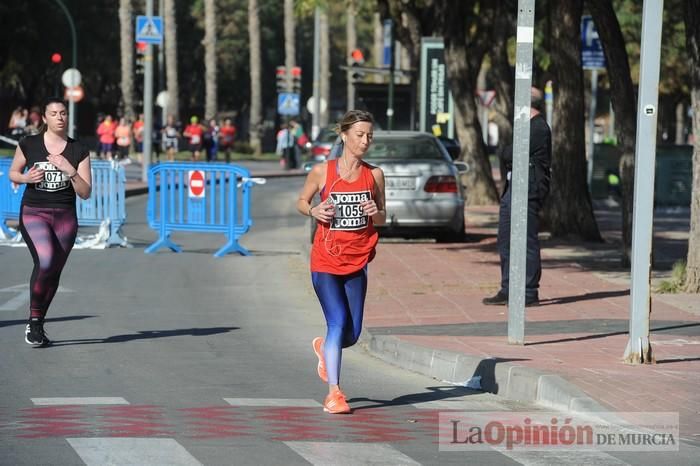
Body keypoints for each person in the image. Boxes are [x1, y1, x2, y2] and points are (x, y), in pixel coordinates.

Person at [296, 110, 386, 414]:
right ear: (344, 135)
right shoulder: (323, 172)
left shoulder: (374, 175)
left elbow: (383, 217)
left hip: (358, 259)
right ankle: (334, 393)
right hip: (325, 261)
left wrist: (375, 211)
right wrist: (313, 211)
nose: (365, 140)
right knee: (336, 322)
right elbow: (301, 201)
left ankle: (325, 349)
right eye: (359, 134)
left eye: (369, 135)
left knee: (353, 332)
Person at [8, 97, 92, 347]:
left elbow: (85, 192)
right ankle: (33, 321)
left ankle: (38, 324)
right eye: (53, 113)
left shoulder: (79, 150)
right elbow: (13, 171)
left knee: (53, 269)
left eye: (63, 113)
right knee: (45, 260)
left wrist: (70, 169)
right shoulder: (29, 144)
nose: (59, 117)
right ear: (44, 118)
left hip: (65, 215)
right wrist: (25, 178)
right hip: (35, 211)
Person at [483, 87, 551, 307]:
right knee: (506, 239)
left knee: (527, 241)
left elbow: (512, 152)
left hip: (529, 190)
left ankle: (529, 291)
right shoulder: (526, 127)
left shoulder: (539, 127)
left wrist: (505, 153)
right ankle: (508, 288)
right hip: (515, 188)